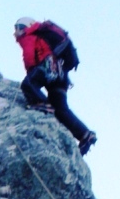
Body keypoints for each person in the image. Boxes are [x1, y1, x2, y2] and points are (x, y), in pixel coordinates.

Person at [14, 17, 97, 155]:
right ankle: (84, 134)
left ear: (24, 27)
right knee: (61, 109)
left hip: (48, 67)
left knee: (27, 85)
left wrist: (31, 73)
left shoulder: (28, 35)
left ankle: (43, 104)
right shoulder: (44, 33)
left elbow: (29, 56)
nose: (15, 32)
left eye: (17, 28)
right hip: (61, 74)